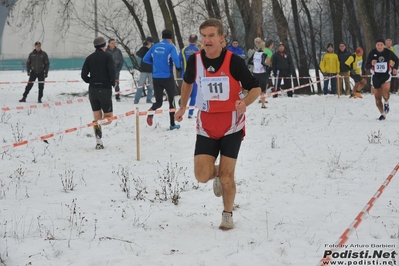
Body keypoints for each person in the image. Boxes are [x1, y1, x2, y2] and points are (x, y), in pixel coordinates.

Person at [174, 18, 261, 230]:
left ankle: (227, 214)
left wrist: (245, 102)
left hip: (231, 125)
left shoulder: (234, 61)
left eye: (211, 36)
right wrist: (183, 106)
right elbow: (187, 83)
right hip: (206, 126)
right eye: (204, 36)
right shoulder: (195, 60)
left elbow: (255, 89)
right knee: (201, 175)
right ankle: (219, 174)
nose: (207, 40)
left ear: (222, 38)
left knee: (227, 177)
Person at [143, 29, 182, 130]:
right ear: (171, 37)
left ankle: (151, 111)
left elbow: (145, 59)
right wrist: (179, 68)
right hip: (168, 78)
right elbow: (176, 61)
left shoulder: (154, 46)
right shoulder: (171, 47)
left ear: (162, 36)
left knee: (159, 102)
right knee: (172, 101)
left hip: (156, 78)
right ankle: (172, 124)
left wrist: (156, 64)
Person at [81, 37, 116, 149]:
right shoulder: (108, 56)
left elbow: (83, 75)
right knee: (109, 118)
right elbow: (112, 71)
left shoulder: (89, 58)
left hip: (93, 90)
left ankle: (99, 141)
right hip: (105, 89)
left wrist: (90, 81)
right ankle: (97, 123)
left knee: (97, 115)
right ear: (104, 45)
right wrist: (112, 82)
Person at [365, 38, 399, 121]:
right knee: (377, 99)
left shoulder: (388, 52)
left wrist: (395, 68)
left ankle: (386, 102)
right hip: (376, 77)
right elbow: (366, 66)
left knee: (385, 92)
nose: (379, 46)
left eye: (381, 45)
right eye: (378, 45)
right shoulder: (372, 53)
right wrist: (371, 64)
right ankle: (382, 114)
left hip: (386, 76)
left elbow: (397, 60)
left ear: (383, 45)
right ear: (375, 45)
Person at [179, 34, 200, 118]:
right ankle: (190, 113)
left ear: (188, 40)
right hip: (195, 75)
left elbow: (178, 61)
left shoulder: (184, 50)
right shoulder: (198, 50)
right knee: (194, 94)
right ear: (196, 41)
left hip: (185, 74)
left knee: (185, 92)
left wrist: (181, 71)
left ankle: (182, 108)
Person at [248, 41, 268, 108]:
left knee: (256, 88)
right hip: (262, 73)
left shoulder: (255, 53)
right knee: (263, 89)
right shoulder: (264, 54)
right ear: (263, 47)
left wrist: (255, 65)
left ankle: (251, 101)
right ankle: (263, 104)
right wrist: (267, 66)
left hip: (255, 73)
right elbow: (262, 62)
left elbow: (249, 62)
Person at [135, 37, 154, 104]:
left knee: (151, 86)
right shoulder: (143, 49)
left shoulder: (153, 49)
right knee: (140, 85)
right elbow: (138, 54)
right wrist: (144, 47)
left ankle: (149, 99)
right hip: (144, 70)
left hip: (151, 70)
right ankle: (136, 99)